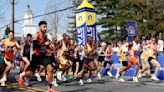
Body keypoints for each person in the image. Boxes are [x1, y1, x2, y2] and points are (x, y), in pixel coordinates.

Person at [19, 21, 56, 92]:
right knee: (31, 73)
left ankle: (50, 88)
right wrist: (44, 43)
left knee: (50, 69)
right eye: (44, 27)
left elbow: (46, 46)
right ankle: (22, 75)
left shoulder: (45, 37)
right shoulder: (37, 35)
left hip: (43, 56)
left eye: (46, 27)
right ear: (40, 27)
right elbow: (35, 46)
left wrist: (50, 46)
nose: (45, 28)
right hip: (36, 56)